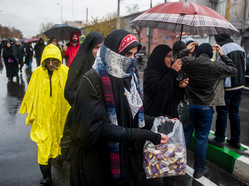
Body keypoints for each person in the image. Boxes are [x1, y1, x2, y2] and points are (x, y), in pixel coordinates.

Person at [69, 29, 168, 186]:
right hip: (101, 161)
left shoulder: (128, 77)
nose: (131, 60)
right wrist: (141, 134)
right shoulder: (92, 81)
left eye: (134, 55)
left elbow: (132, 115)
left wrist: (158, 121)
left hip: (127, 157)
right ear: (111, 52)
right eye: (127, 54)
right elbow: (95, 129)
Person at [181, 43, 237, 178]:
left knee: (185, 135)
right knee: (201, 139)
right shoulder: (216, 66)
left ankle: (179, 163)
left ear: (198, 52)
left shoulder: (190, 62)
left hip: (190, 106)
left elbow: (179, 57)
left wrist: (187, 49)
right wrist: (223, 55)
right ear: (211, 54)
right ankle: (199, 169)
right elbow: (234, 70)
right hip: (206, 107)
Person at [19, 44, 71, 185]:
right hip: (43, 117)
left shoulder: (65, 72)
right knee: (43, 146)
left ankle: (60, 161)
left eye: (54, 61)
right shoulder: (37, 73)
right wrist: (29, 110)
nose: (50, 64)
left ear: (59, 60)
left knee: (60, 143)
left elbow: (72, 93)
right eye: (48, 61)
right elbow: (30, 93)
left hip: (60, 116)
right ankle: (46, 176)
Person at [143, 44, 188, 185]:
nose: (171, 59)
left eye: (172, 56)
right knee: (154, 158)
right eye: (168, 56)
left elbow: (172, 96)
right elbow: (159, 94)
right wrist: (173, 73)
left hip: (169, 121)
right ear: (159, 57)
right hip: (154, 121)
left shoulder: (166, 72)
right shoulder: (151, 73)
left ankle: (170, 180)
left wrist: (179, 86)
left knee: (170, 156)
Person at [208, 34, 246, 149]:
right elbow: (244, 68)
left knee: (222, 113)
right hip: (240, 85)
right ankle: (236, 140)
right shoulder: (240, 48)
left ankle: (219, 138)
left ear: (219, 39)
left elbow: (220, 68)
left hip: (227, 87)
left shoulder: (223, 49)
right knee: (235, 113)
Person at [64, 31, 105, 106]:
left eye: (102, 47)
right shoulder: (78, 65)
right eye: (96, 47)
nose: (99, 51)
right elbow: (69, 92)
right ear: (89, 48)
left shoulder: (104, 66)